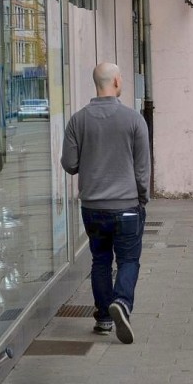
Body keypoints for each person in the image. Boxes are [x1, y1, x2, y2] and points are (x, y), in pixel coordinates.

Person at [61, 63, 150, 344]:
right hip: (126, 205)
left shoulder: (77, 120)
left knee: (100, 260)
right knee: (128, 260)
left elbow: (70, 164)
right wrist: (142, 197)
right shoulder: (134, 120)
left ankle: (103, 319)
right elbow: (142, 169)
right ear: (115, 81)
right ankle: (121, 303)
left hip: (92, 207)